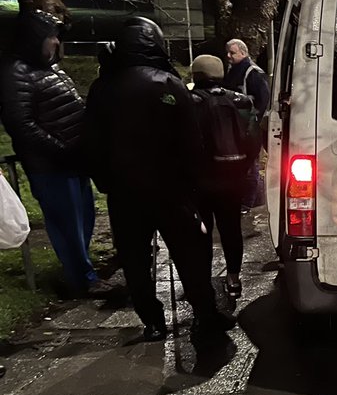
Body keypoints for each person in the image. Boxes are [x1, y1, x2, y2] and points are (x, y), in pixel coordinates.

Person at [86, 18, 236, 342]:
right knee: (190, 255)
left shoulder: (102, 87)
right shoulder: (168, 83)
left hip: (124, 193)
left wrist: (105, 182)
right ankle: (204, 315)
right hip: (170, 190)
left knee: (135, 261)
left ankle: (153, 322)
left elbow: (92, 143)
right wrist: (193, 188)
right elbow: (191, 142)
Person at [0, 9, 104, 297]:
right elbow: (22, 125)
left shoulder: (48, 67)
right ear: (35, 39)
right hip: (51, 166)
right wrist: (61, 151)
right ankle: (83, 279)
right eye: (52, 37)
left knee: (83, 218)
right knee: (67, 224)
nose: (57, 43)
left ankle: (85, 272)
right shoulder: (15, 73)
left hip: (74, 160)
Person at [190, 55, 258, 299]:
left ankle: (203, 281)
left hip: (200, 180)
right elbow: (253, 141)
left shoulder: (190, 102)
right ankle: (233, 278)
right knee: (231, 228)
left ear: (195, 75)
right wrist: (242, 167)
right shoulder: (241, 101)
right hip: (233, 177)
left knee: (201, 231)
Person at [223, 38, 268, 210]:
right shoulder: (234, 71)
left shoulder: (253, 73)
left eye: (232, 52)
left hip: (248, 129)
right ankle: (248, 202)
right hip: (237, 128)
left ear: (243, 52)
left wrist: (253, 124)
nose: (228, 56)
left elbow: (263, 101)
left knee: (250, 167)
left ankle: (248, 204)